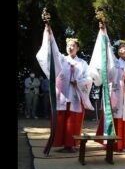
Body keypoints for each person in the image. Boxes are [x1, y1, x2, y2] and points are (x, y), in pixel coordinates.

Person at [36, 24, 94, 153]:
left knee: (73, 121)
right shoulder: (61, 59)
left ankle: (71, 144)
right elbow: (53, 53)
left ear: (78, 48)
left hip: (75, 96)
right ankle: (59, 143)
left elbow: (89, 79)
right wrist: (49, 34)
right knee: (60, 119)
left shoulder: (83, 63)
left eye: (73, 45)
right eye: (68, 45)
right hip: (61, 95)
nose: (70, 47)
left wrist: (78, 82)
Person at [89, 21, 125, 152]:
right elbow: (105, 50)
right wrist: (103, 32)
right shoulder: (113, 63)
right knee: (112, 119)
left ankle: (122, 144)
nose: (121, 49)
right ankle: (110, 144)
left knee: (123, 122)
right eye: (120, 48)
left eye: (124, 48)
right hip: (113, 95)